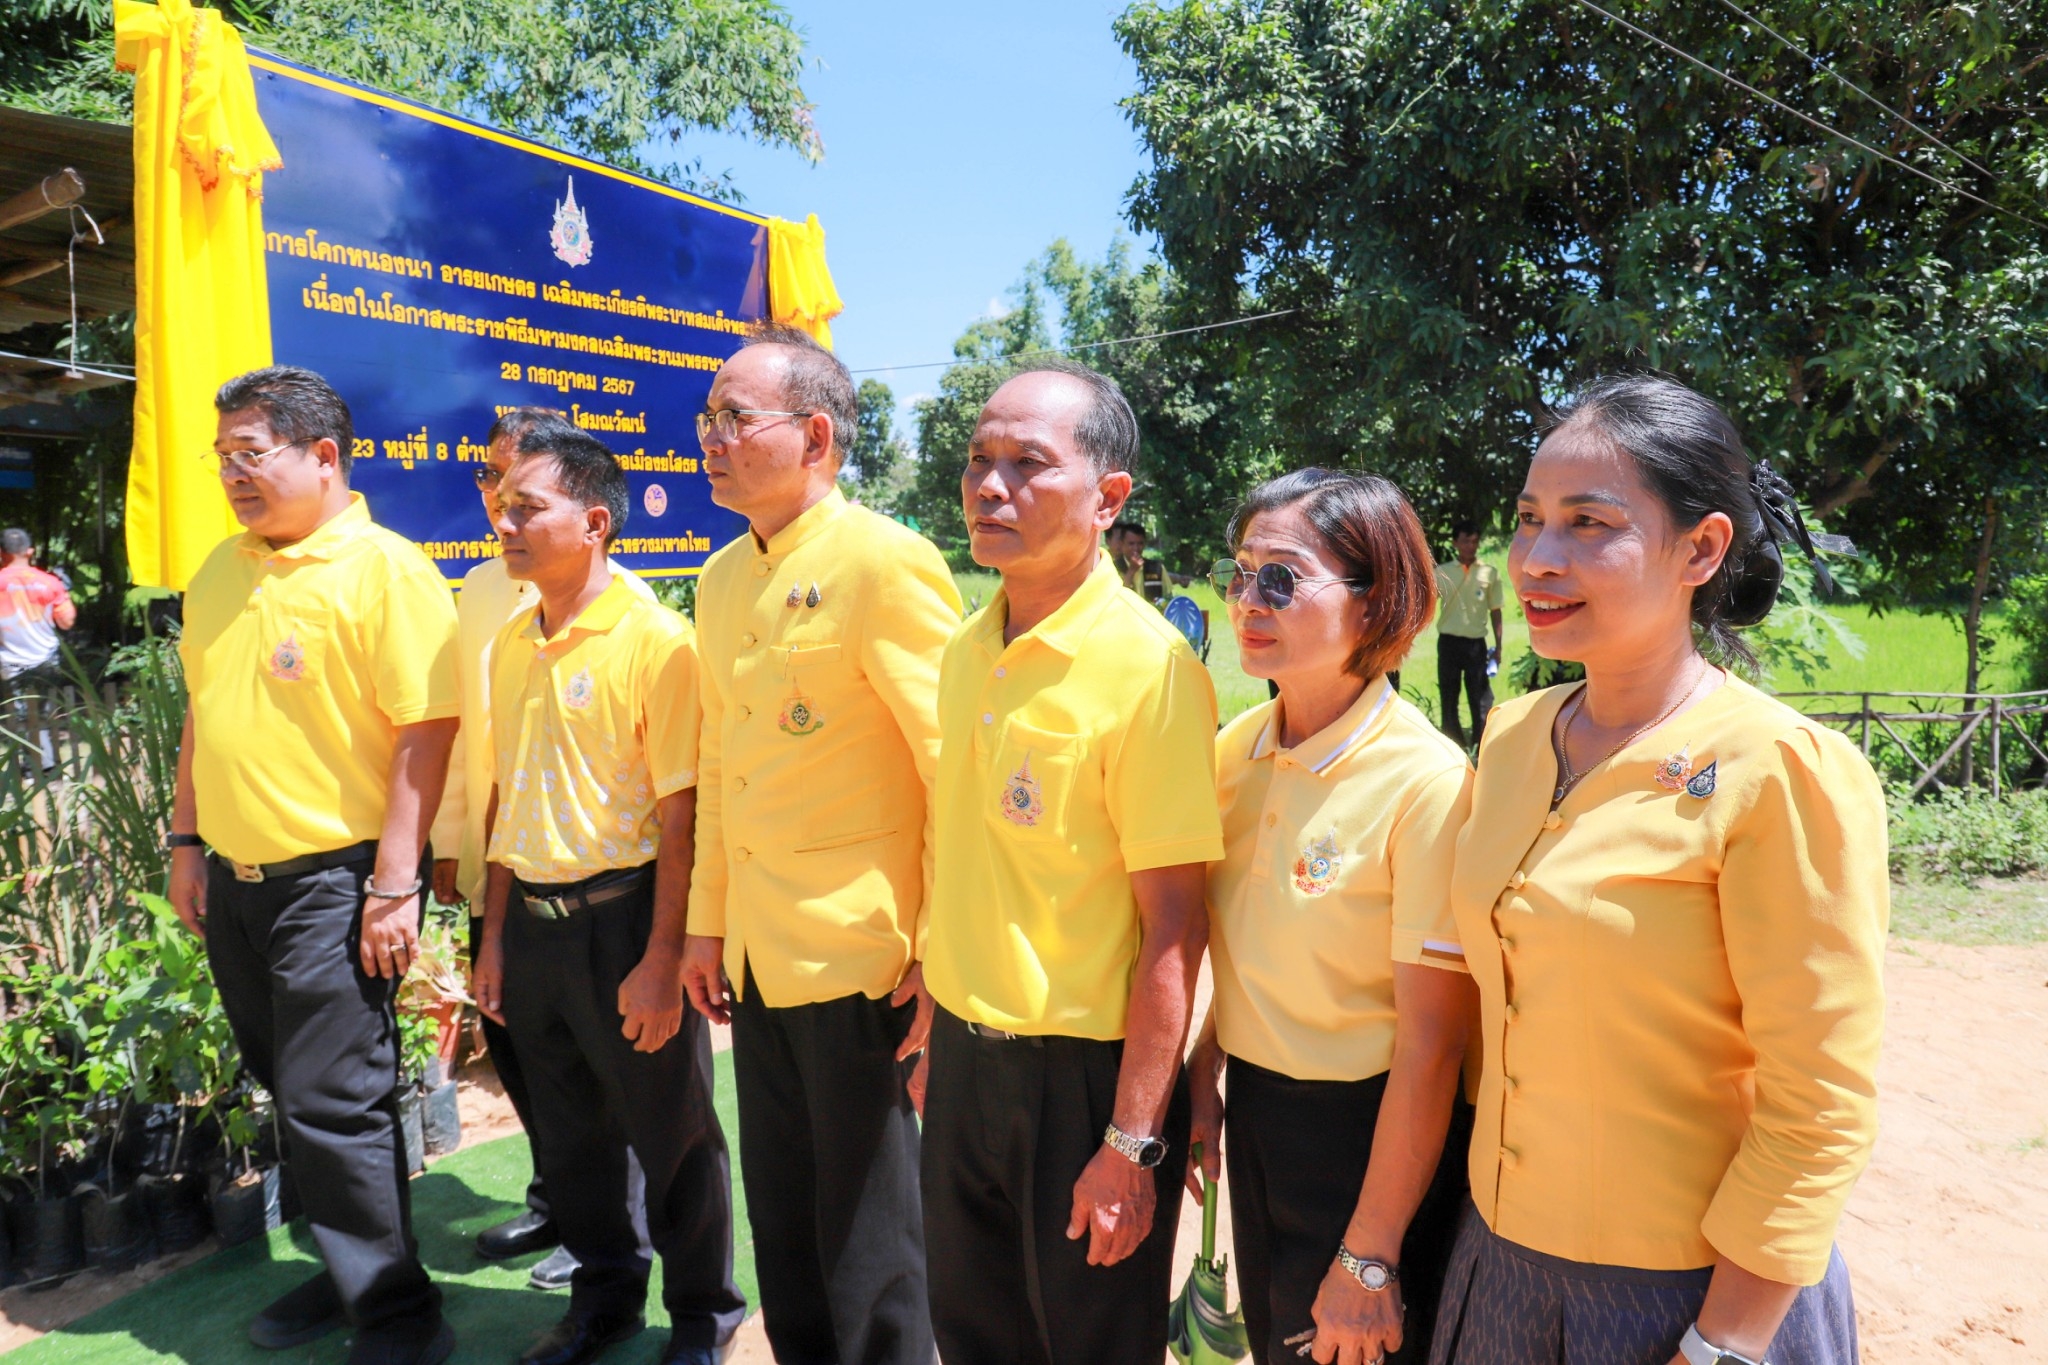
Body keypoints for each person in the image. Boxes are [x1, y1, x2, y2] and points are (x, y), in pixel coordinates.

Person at [1431, 375, 1887, 1365]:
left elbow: (1817, 1102)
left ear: (1701, 548)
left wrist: (1720, 1345)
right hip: (1500, 1266)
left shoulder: (1778, 772)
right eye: (1527, 519)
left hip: (1692, 1303)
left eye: (1588, 524)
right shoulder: (1508, 742)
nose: (1536, 559)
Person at [919, 360, 1224, 1364]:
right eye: (978, 460)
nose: (988, 486)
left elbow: (1176, 927)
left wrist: (1130, 1142)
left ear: (1108, 499)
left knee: (1087, 1345)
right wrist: (933, 1020)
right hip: (963, 1062)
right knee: (975, 1335)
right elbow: (968, 857)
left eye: (1026, 465)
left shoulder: (1150, 672)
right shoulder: (969, 647)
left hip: (1083, 1086)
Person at [166, 365, 458, 1365]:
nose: (233, 475)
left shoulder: (385, 571)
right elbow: (204, 716)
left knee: (337, 1101)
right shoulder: (218, 571)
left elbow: (425, 734)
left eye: (253, 453)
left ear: (324, 455)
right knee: (289, 1093)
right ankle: (347, 1279)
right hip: (238, 883)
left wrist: (393, 883)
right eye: (224, 458)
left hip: (335, 883)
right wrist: (185, 842)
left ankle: (397, 1318)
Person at [680, 324, 957, 1365]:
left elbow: (951, 772)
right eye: (705, 418)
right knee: (787, 1229)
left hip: (861, 962)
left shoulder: (883, 563)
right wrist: (706, 927)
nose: (709, 437)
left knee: (872, 1247)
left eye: (731, 419)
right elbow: (719, 768)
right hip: (757, 958)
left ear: (814, 435)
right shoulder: (717, 582)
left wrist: (940, 947)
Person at [469, 426, 744, 1365]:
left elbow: (683, 816)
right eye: (504, 505)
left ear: (593, 521)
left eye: (527, 506)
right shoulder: (512, 641)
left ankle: (705, 1312)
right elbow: (508, 794)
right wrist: (493, 935)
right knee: (571, 1139)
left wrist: (664, 958)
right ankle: (607, 1298)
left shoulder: (657, 643)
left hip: (628, 922)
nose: (505, 521)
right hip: (536, 928)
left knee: (671, 1136)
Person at [1188, 468, 1476, 1365]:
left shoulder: (1425, 783)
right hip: (1261, 1110)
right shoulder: (1237, 751)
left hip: (1371, 1137)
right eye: (1239, 574)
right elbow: (1245, 952)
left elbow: (1434, 1044)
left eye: (1282, 576)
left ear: (1375, 600)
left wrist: (1371, 1249)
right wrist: (1205, 1070)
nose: (1247, 601)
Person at [430, 407, 657, 1290]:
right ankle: (561, 1197)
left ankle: (623, 1236)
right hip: (506, 860)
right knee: (529, 1055)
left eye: (517, 486)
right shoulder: (484, 592)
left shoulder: (632, 616)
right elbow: (473, 734)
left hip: (598, 883)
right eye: (490, 484)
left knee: (614, 1081)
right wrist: (456, 838)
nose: (498, 505)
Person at [0, 526, 77, 770]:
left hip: (10, 661)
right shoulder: (50, 583)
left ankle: (38, 766)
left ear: (2, 553)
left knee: (22, 716)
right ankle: (46, 764)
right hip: (47, 658)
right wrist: (66, 591)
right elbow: (67, 621)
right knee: (46, 713)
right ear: (30, 552)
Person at [1432, 521, 1502, 749]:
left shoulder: (1489, 573)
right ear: (1455, 543)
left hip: (1475, 644)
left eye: (1474, 541)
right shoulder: (1442, 572)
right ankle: (1452, 743)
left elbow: (1496, 611)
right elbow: (1426, 603)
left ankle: (1481, 745)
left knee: (1479, 697)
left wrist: (1498, 646)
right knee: (1449, 694)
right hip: (1449, 643)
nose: (1470, 546)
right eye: (1465, 541)